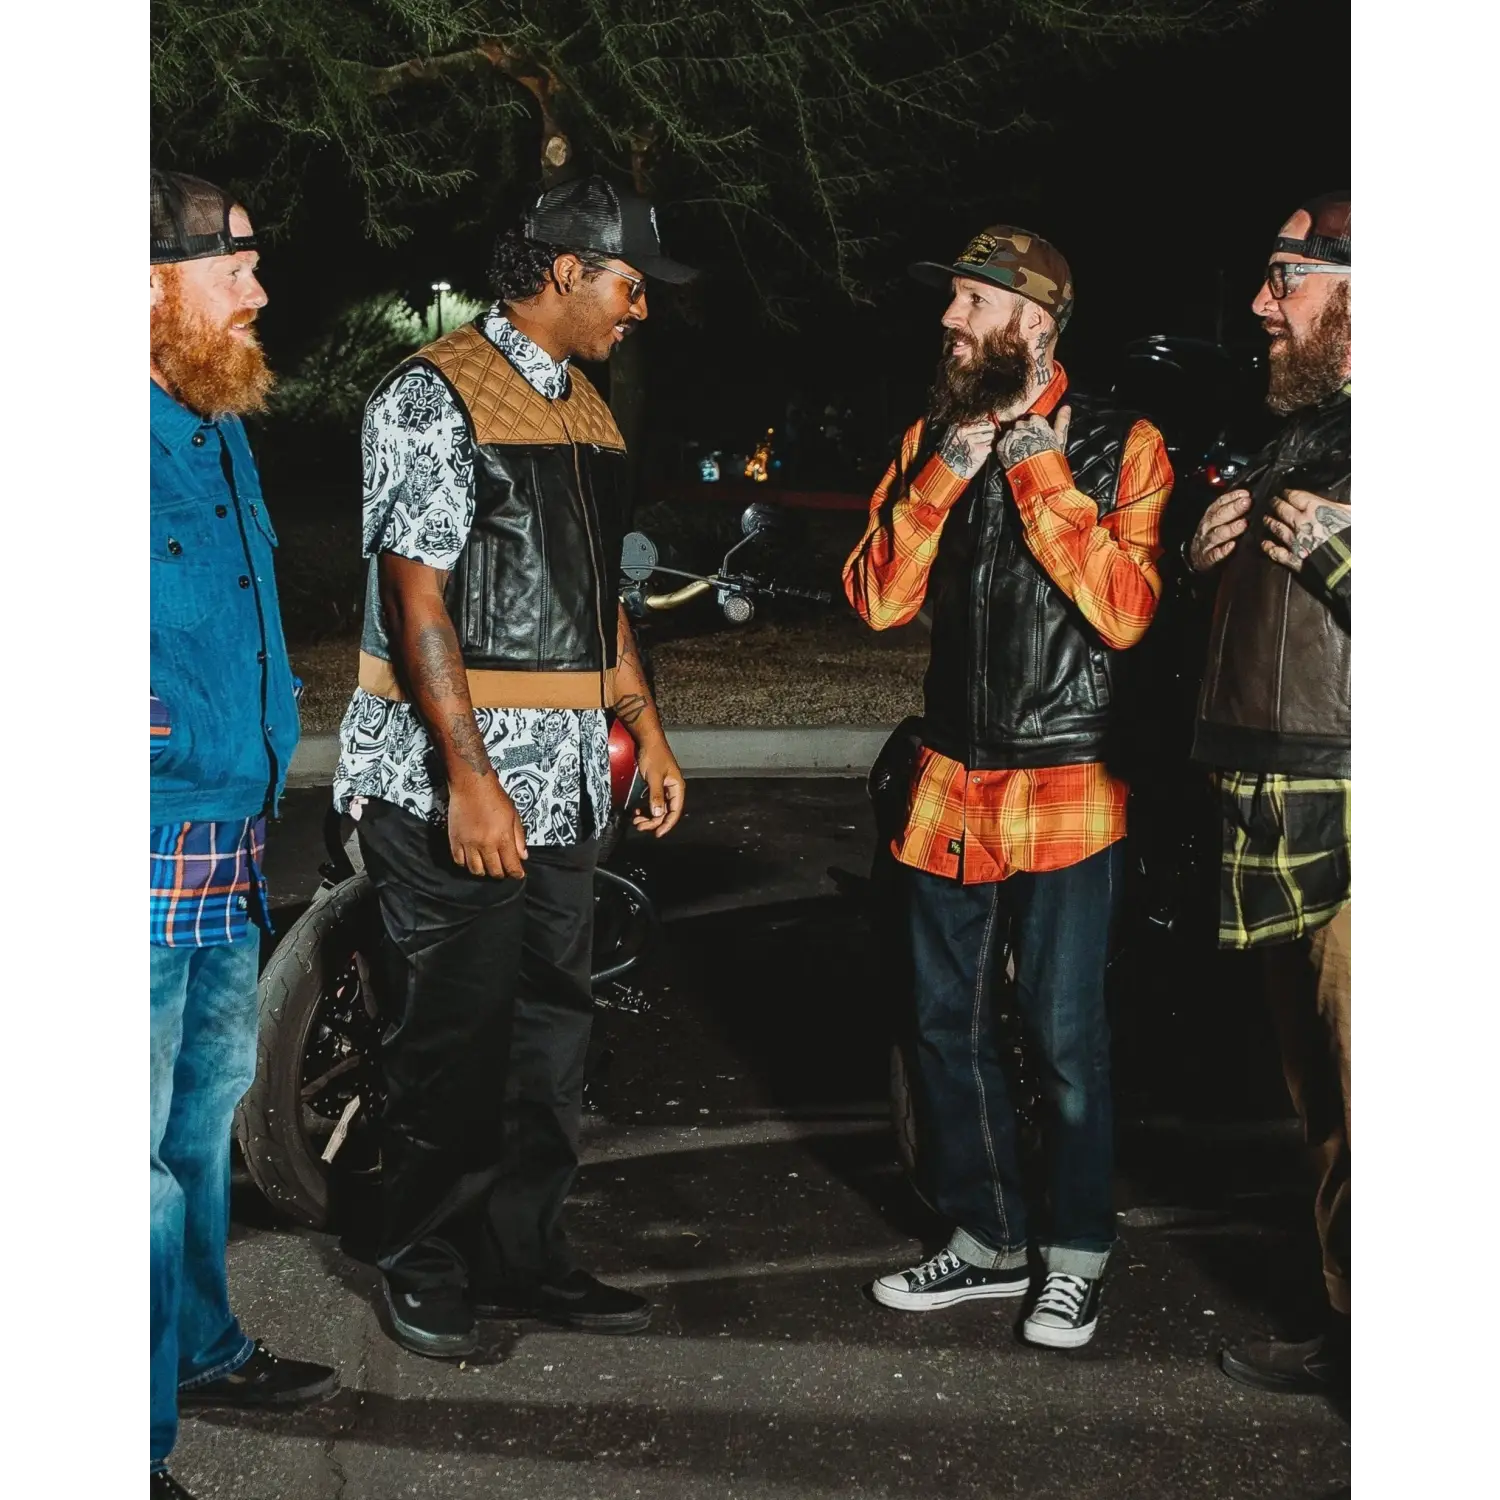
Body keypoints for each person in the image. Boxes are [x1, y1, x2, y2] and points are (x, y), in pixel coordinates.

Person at [334, 175, 692, 1359]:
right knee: (455, 1036)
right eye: (630, 285)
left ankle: (524, 1254)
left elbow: (600, 602)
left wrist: (645, 727)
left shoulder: (586, 409)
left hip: (570, 780)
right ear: (562, 268)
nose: (640, 309)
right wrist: (472, 776)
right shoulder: (430, 396)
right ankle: (419, 1252)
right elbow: (417, 592)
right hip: (459, 785)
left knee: (551, 1034)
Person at [844, 225, 1173, 1349]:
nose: (948, 320)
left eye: (972, 304)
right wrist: (954, 461)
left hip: (1073, 783)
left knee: (1064, 1037)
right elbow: (877, 602)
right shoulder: (932, 437)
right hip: (950, 779)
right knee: (945, 1026)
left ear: (1034, 323)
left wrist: (1035, 462)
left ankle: (1074, 1253)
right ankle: (982, 1241)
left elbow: (1126, 608)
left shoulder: (1125, 445)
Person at [147, 168, 338, 1499]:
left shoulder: (211, 416)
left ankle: (202, 1347)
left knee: (203, 1121)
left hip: (231, 828)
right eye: (234, 269)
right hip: (152, 838)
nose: (260, 292)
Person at [1187, 192, 1352, 1396]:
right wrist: (1210, 564)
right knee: (1327, 1110)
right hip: (1272, 790)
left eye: (1286, 276)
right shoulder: (1295, 433)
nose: (1262, 302)